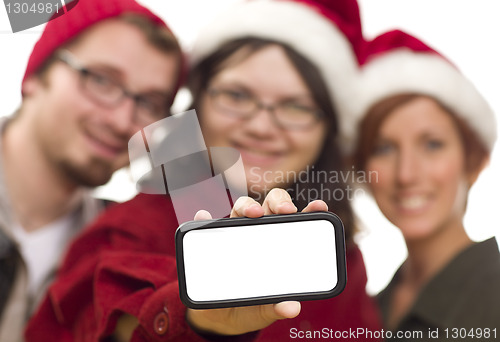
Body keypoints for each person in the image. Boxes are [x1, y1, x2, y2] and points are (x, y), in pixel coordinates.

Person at [26, 0, 382, 341]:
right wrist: (197, 317)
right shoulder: (131, 227)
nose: (261, 126)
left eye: (296, 107)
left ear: (327, 130)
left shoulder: (341, 255)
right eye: (237, 96)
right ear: (197, 104)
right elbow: (95, 311)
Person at [0, 0, 184, 341]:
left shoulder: (122, 249)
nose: (121, 121)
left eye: (148, 103)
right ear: (37, 76)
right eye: (101, 80)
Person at [346, 30, 499, 340]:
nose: (406, 174)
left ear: (474, 161)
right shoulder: (365, 309)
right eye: (383, 148)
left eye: (432, 144)